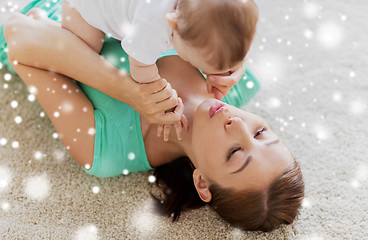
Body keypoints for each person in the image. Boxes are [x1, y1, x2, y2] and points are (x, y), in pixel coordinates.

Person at [2, 3, 304, 232]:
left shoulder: (107, 150)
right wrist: (230, 61)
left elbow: (17, 32)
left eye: (235, 152)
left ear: (202, 182)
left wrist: (130, 90)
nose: (237, 125)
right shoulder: (237, 80)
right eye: (261, 132)